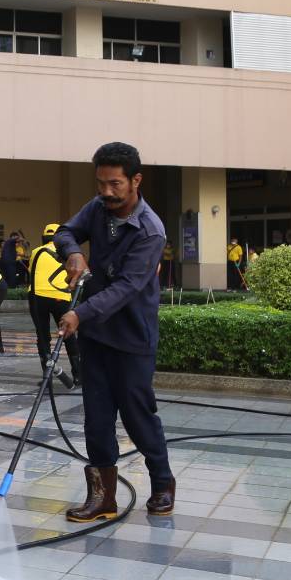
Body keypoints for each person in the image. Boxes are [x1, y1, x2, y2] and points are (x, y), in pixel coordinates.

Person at [54, 141, 174, 522]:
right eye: (101, 183)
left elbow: (125, 288)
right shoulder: (97, 208)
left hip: (132, 338)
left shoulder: (150, 231)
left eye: (115, 184)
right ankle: (102, 496)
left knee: (138, 416)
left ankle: (162, 483)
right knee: (97, 417)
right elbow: (65, 231)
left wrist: (79, 314)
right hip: (96, 336)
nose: (106, 192)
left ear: (136, 180)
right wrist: (73, 251)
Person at [28, 223, 81, 384]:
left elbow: (32, 271)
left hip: (37, 296)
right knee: (68, 333)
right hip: (61, 296)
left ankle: (47, 377)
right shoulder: (69, 253)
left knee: (43, 336)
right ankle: (78, 375)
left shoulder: (36, 251)